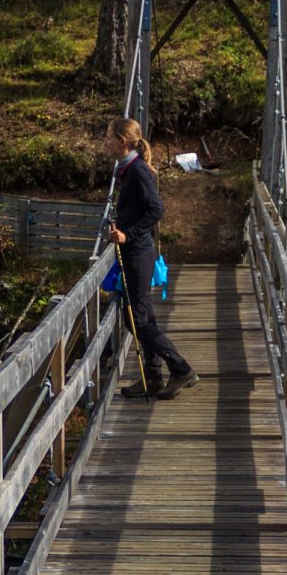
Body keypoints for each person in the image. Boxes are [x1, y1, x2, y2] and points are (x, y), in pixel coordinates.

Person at [104, 117, 196, 400]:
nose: (104, 142)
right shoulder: (127, 170)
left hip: (138, 253)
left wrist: (127, 234)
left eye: (108, 137)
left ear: (121, 141)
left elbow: (156, 209)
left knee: (137, 319)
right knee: (143, 316)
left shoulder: (137, 172)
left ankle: (180, 369)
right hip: (134, 253)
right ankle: (153, 376)